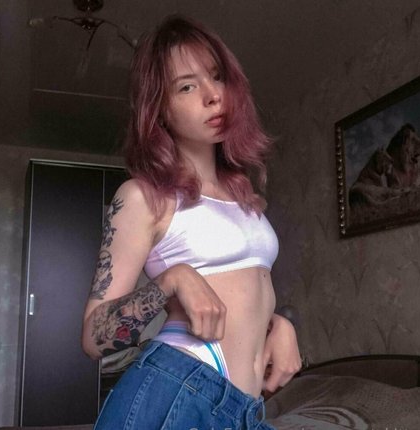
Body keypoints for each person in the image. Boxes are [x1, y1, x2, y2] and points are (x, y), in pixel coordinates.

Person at [82, 14, 301, 430]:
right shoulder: (143, 196)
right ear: (159, 110)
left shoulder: (246, 196)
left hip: (244, 409)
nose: (213, 96)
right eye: (186, 86)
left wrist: (280, 323)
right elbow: (94, 338)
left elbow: (242, 297)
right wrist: (172, 280)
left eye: (217, 78)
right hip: (179, 392)